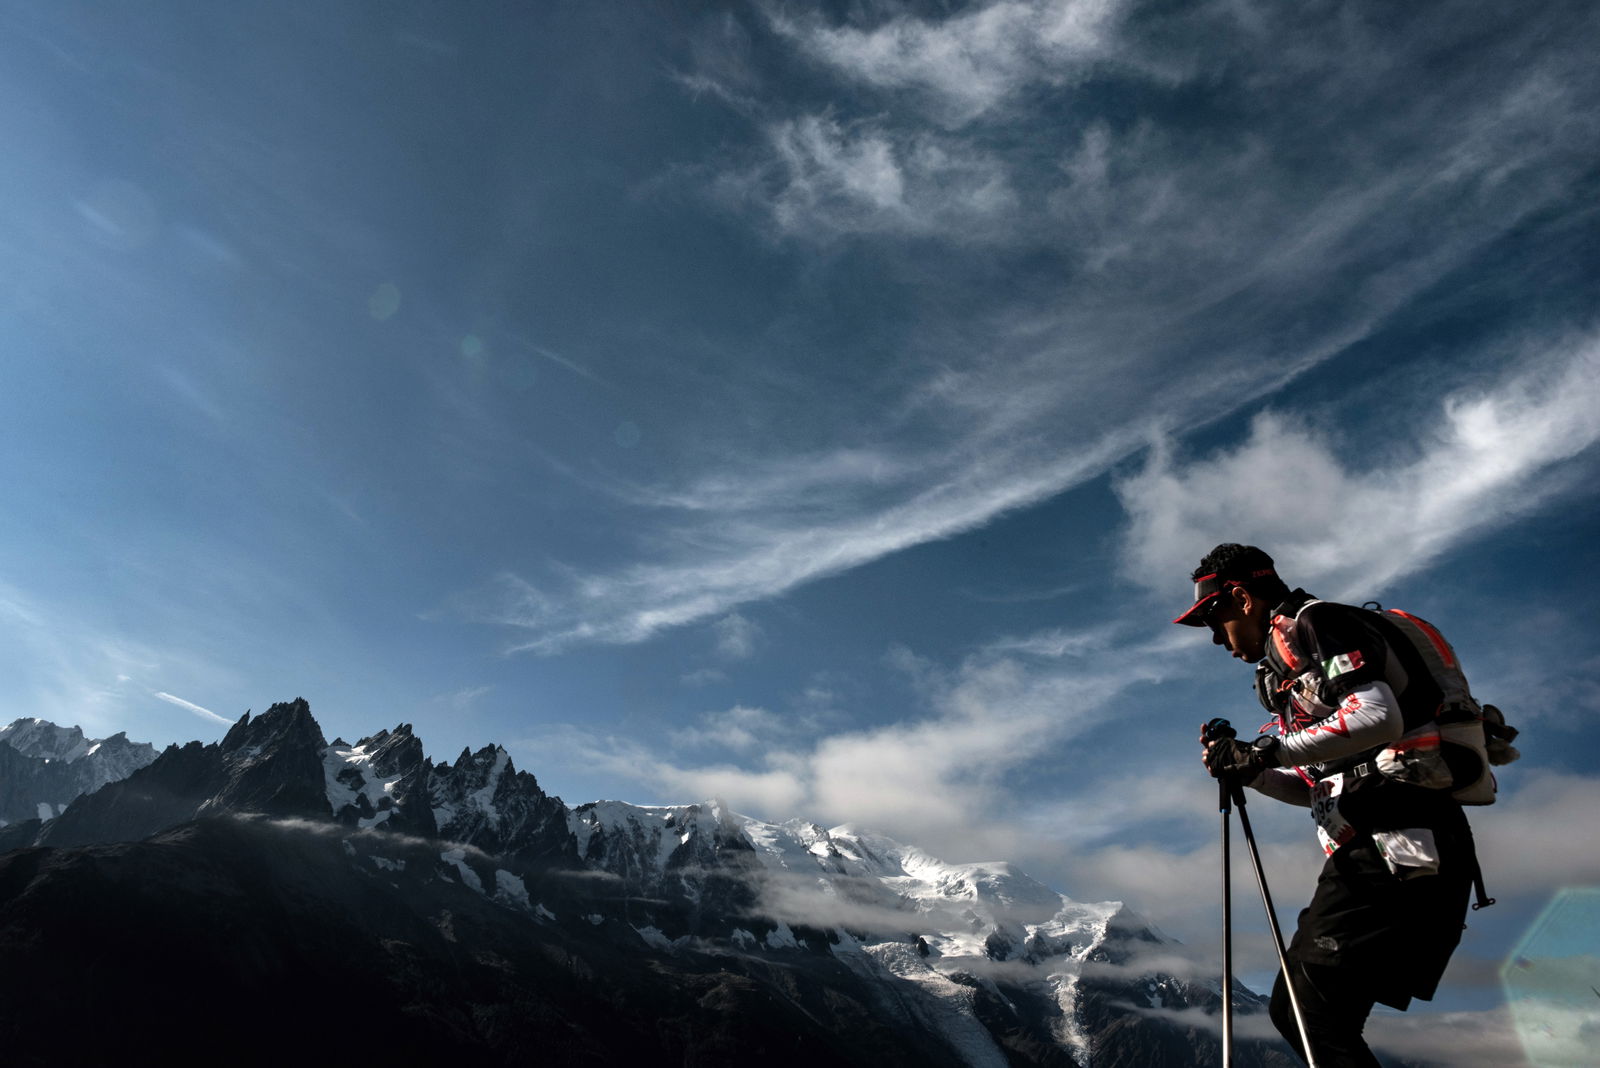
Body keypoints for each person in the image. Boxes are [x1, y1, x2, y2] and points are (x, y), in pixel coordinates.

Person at [1174, 543, 1476, 1067]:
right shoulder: (1292, 661)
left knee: (1306, 1011)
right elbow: (1320, 785)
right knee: (1310, 1014)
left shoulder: (1318, 623)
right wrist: (1254, 771)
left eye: (1213, 619)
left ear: (1242, 598)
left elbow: (1378, 717)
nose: (1215, 639)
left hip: (1395, 841)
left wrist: (1264, 748)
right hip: (1400, 845)